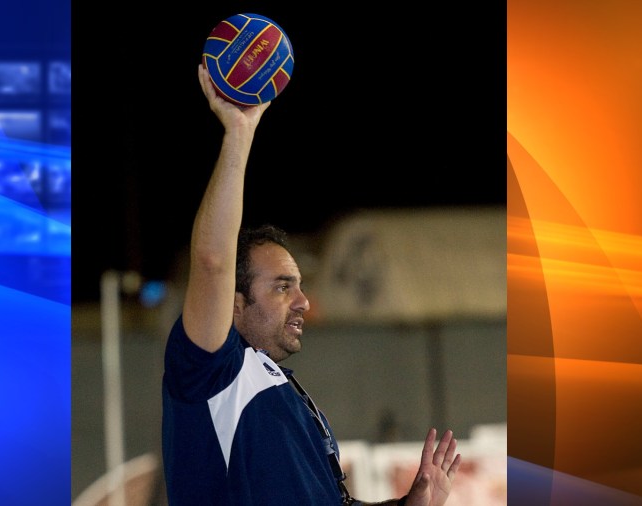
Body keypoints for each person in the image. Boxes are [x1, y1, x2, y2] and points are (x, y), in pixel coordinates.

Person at [160, 64, 463, 506]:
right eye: (282, 287)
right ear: (234, 303)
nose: (302, 301)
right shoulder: (213, 372)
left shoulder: (288, 396)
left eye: (299, 286)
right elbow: (211, 261)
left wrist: (411, 501)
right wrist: (240, 131)